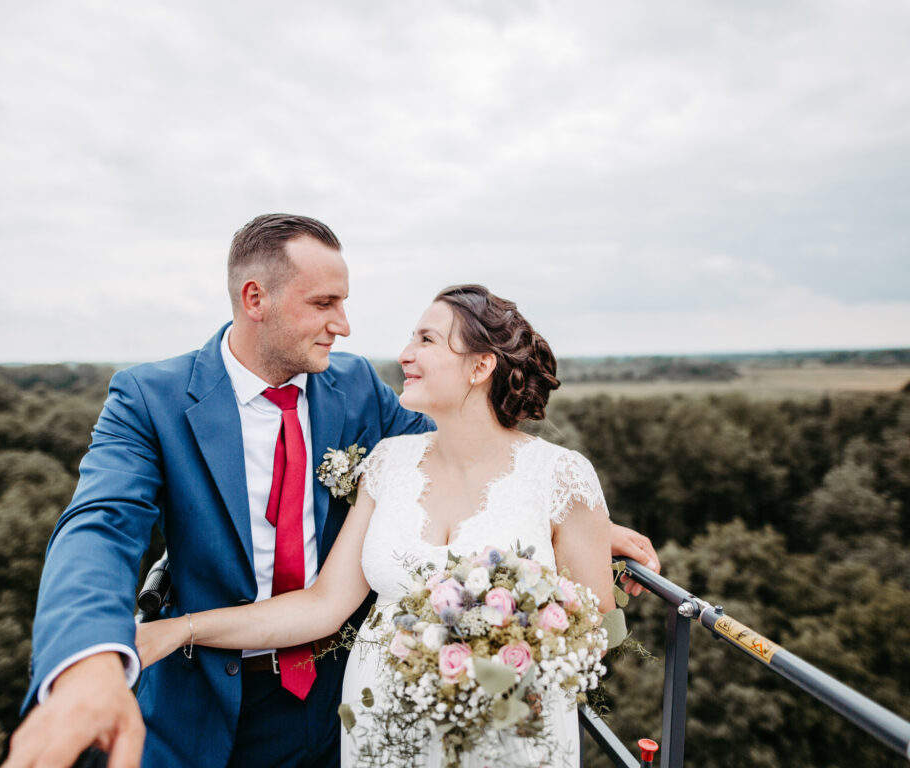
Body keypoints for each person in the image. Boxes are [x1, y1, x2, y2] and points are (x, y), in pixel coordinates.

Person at [3, 217, 659, 768]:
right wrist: (88, 659)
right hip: (198, 700)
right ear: (255, 299)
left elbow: (479, 461)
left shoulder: (358, 390)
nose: (344, 325)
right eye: (324, 304)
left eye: (344, 303)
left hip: (334, 705)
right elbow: (97, 529)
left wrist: (582, 525)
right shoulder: (150, 398)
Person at [136, 284, 635, 767]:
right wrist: (181, 629)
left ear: (481, 366)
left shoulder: (561, 476)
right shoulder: (388, 463)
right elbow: (322, 606)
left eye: (427, 340)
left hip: (507, 735)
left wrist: (500, 654)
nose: (405, 355)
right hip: (383, 732)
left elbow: (595, 633)